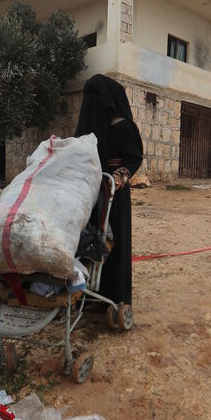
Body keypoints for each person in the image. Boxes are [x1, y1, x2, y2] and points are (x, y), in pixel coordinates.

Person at [75, 74, 143, 306]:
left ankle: (114, 297)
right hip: (90, 190)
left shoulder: (122, 123)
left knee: (114, 240)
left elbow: (134, 157)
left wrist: (121, 175)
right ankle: (85, 293)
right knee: (88, 239)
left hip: (114, 191)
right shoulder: (91, 124)